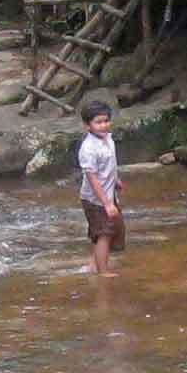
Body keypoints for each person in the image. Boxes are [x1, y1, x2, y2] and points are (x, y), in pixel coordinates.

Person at [76, 98, 124, 278]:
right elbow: (92, 178)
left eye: (106, 121)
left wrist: (116, 179)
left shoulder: (108, 139)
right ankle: (103, 271)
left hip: (108, 194)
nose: (103, 125)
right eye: (98, 122)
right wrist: (106, 204)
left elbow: (110, 164)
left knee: (109, 231)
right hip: (96, 199)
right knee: (104, 233)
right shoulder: (88, 148)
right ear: (87, 126)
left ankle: (93, 265)